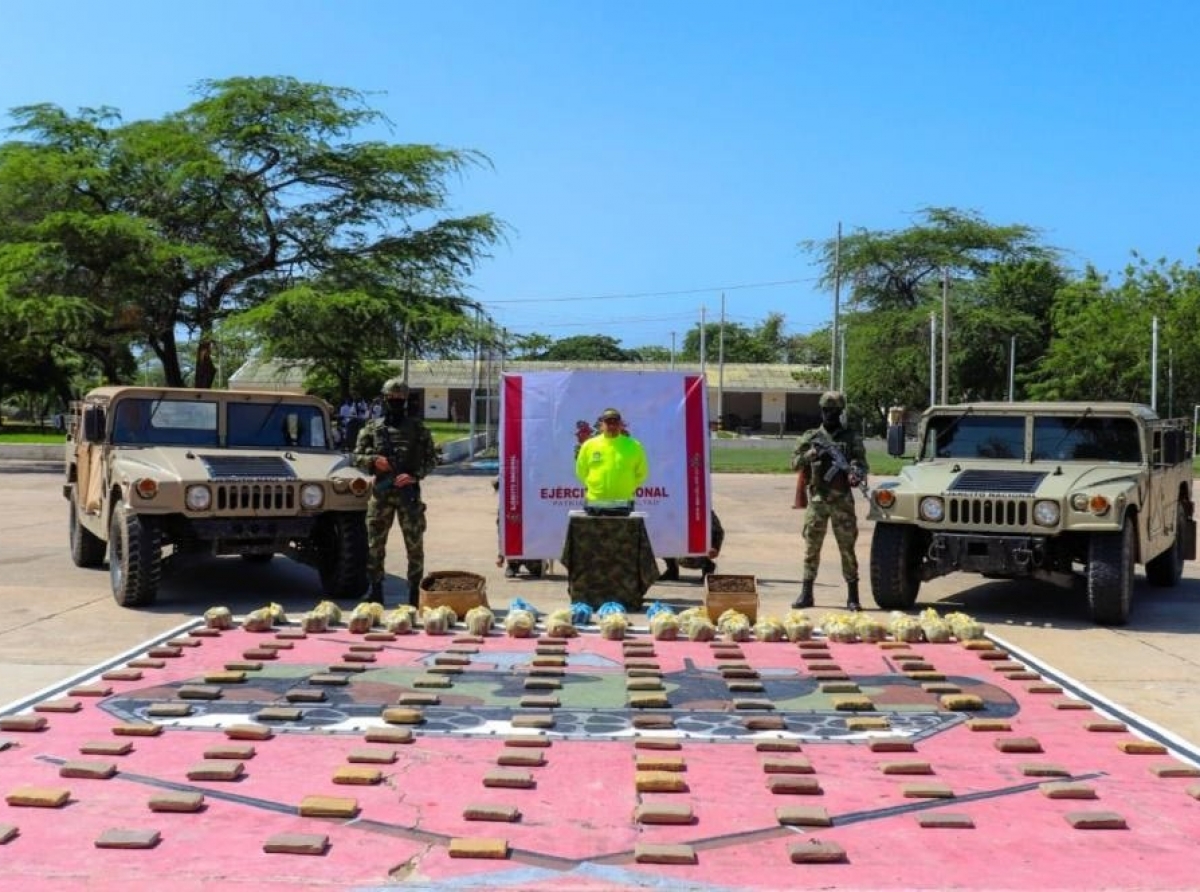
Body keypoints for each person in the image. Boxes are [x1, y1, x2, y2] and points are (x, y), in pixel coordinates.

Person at [354, 379, 438, 604]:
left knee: (414, 546)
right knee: (374, 545)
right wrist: (374, 461)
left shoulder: (418, 428)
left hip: (408, 495)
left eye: (400, 399)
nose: (396, 403)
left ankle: (413, 593)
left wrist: (414, 475)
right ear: (385, 399)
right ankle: (375, 590)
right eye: (392, 399)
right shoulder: (373, 428)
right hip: (381, 496)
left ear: (406, 400)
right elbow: (355, 457)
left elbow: (432, 459)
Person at [790, 391, 869, 612]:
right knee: (811, 548)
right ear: (821, 411)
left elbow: (863, 464)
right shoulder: (811, 436)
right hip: (817, 499)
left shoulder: (851, 437)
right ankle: (806, 594)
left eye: (834, 411)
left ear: (841, 412)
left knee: (847, 549)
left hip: (842, 500)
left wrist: (856, 473)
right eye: (826, 410)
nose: (829, 415)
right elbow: (794, 463)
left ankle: (853, 597)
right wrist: (810, 455)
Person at [574, 407, 648, 511]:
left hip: (624, 502)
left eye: (615, 422)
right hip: (595, 502)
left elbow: (642, 472)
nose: (612, 426)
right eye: (608, 422)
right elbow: (581, 471)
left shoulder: (634, 445)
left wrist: (628, 488)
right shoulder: (589, 445)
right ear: (602, 425)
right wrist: (595, 486)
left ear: (620, 425)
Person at [660, 510, 724, 581]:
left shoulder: (700, 507)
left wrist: (715, 547)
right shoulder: (669, 506)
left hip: (696, 547)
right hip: (678, 542)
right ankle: (672, 569)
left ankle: (707, 565)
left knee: (687, 559)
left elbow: (718, 531)